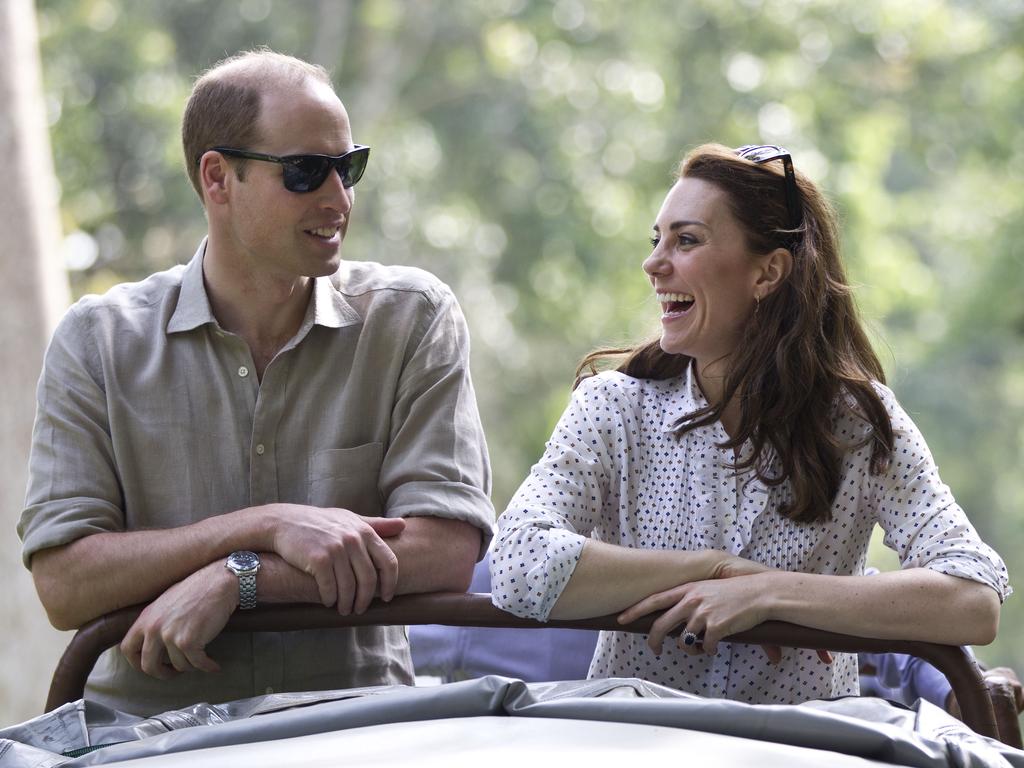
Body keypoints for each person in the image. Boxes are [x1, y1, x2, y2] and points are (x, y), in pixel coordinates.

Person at [19, 49, 494, 716]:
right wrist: (264, 525)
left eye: (348, 166)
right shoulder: (97, 341)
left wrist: (239, 579)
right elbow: (66, 584)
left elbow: (444, 549)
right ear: (218, 178)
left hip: (358, 733)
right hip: (146, 741)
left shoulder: (411, 319)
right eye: (305, 172)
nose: (339, 198)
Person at [489, 143, 1010, 705]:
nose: (654, 263)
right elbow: (518, 564)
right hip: (637, 745)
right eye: (656, 240)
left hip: (804, 754)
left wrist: (770, 594)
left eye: (686, 240)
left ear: (767, 273)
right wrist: (715, 571)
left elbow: (974, 597)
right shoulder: (612, 407)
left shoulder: (857, 423)